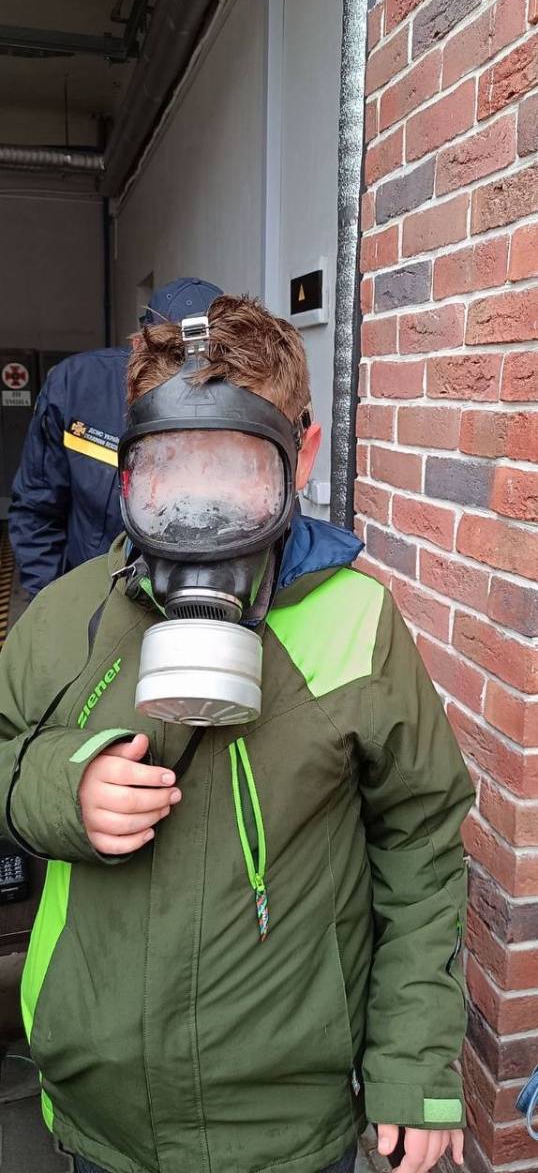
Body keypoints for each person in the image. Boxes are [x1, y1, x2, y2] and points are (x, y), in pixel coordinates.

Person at [0, 295, 474, 1173]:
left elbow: (422, 846)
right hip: (102, 1116)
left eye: (237, 472)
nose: (202, 511)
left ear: (302, 458)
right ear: (129, 473)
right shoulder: (68, 620)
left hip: (290, 1129)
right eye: (173, 471)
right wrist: (63, 789)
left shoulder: (357, 623)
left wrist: (415, 1064)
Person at [8, 277, 222, 598]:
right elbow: (37, 509)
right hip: (94, 595)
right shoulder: (77, 387)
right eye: (172, 357)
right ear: (138, 347)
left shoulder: (245, 396)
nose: (188, 377)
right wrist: (51, 605)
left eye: (206, 360)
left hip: (193, 601)